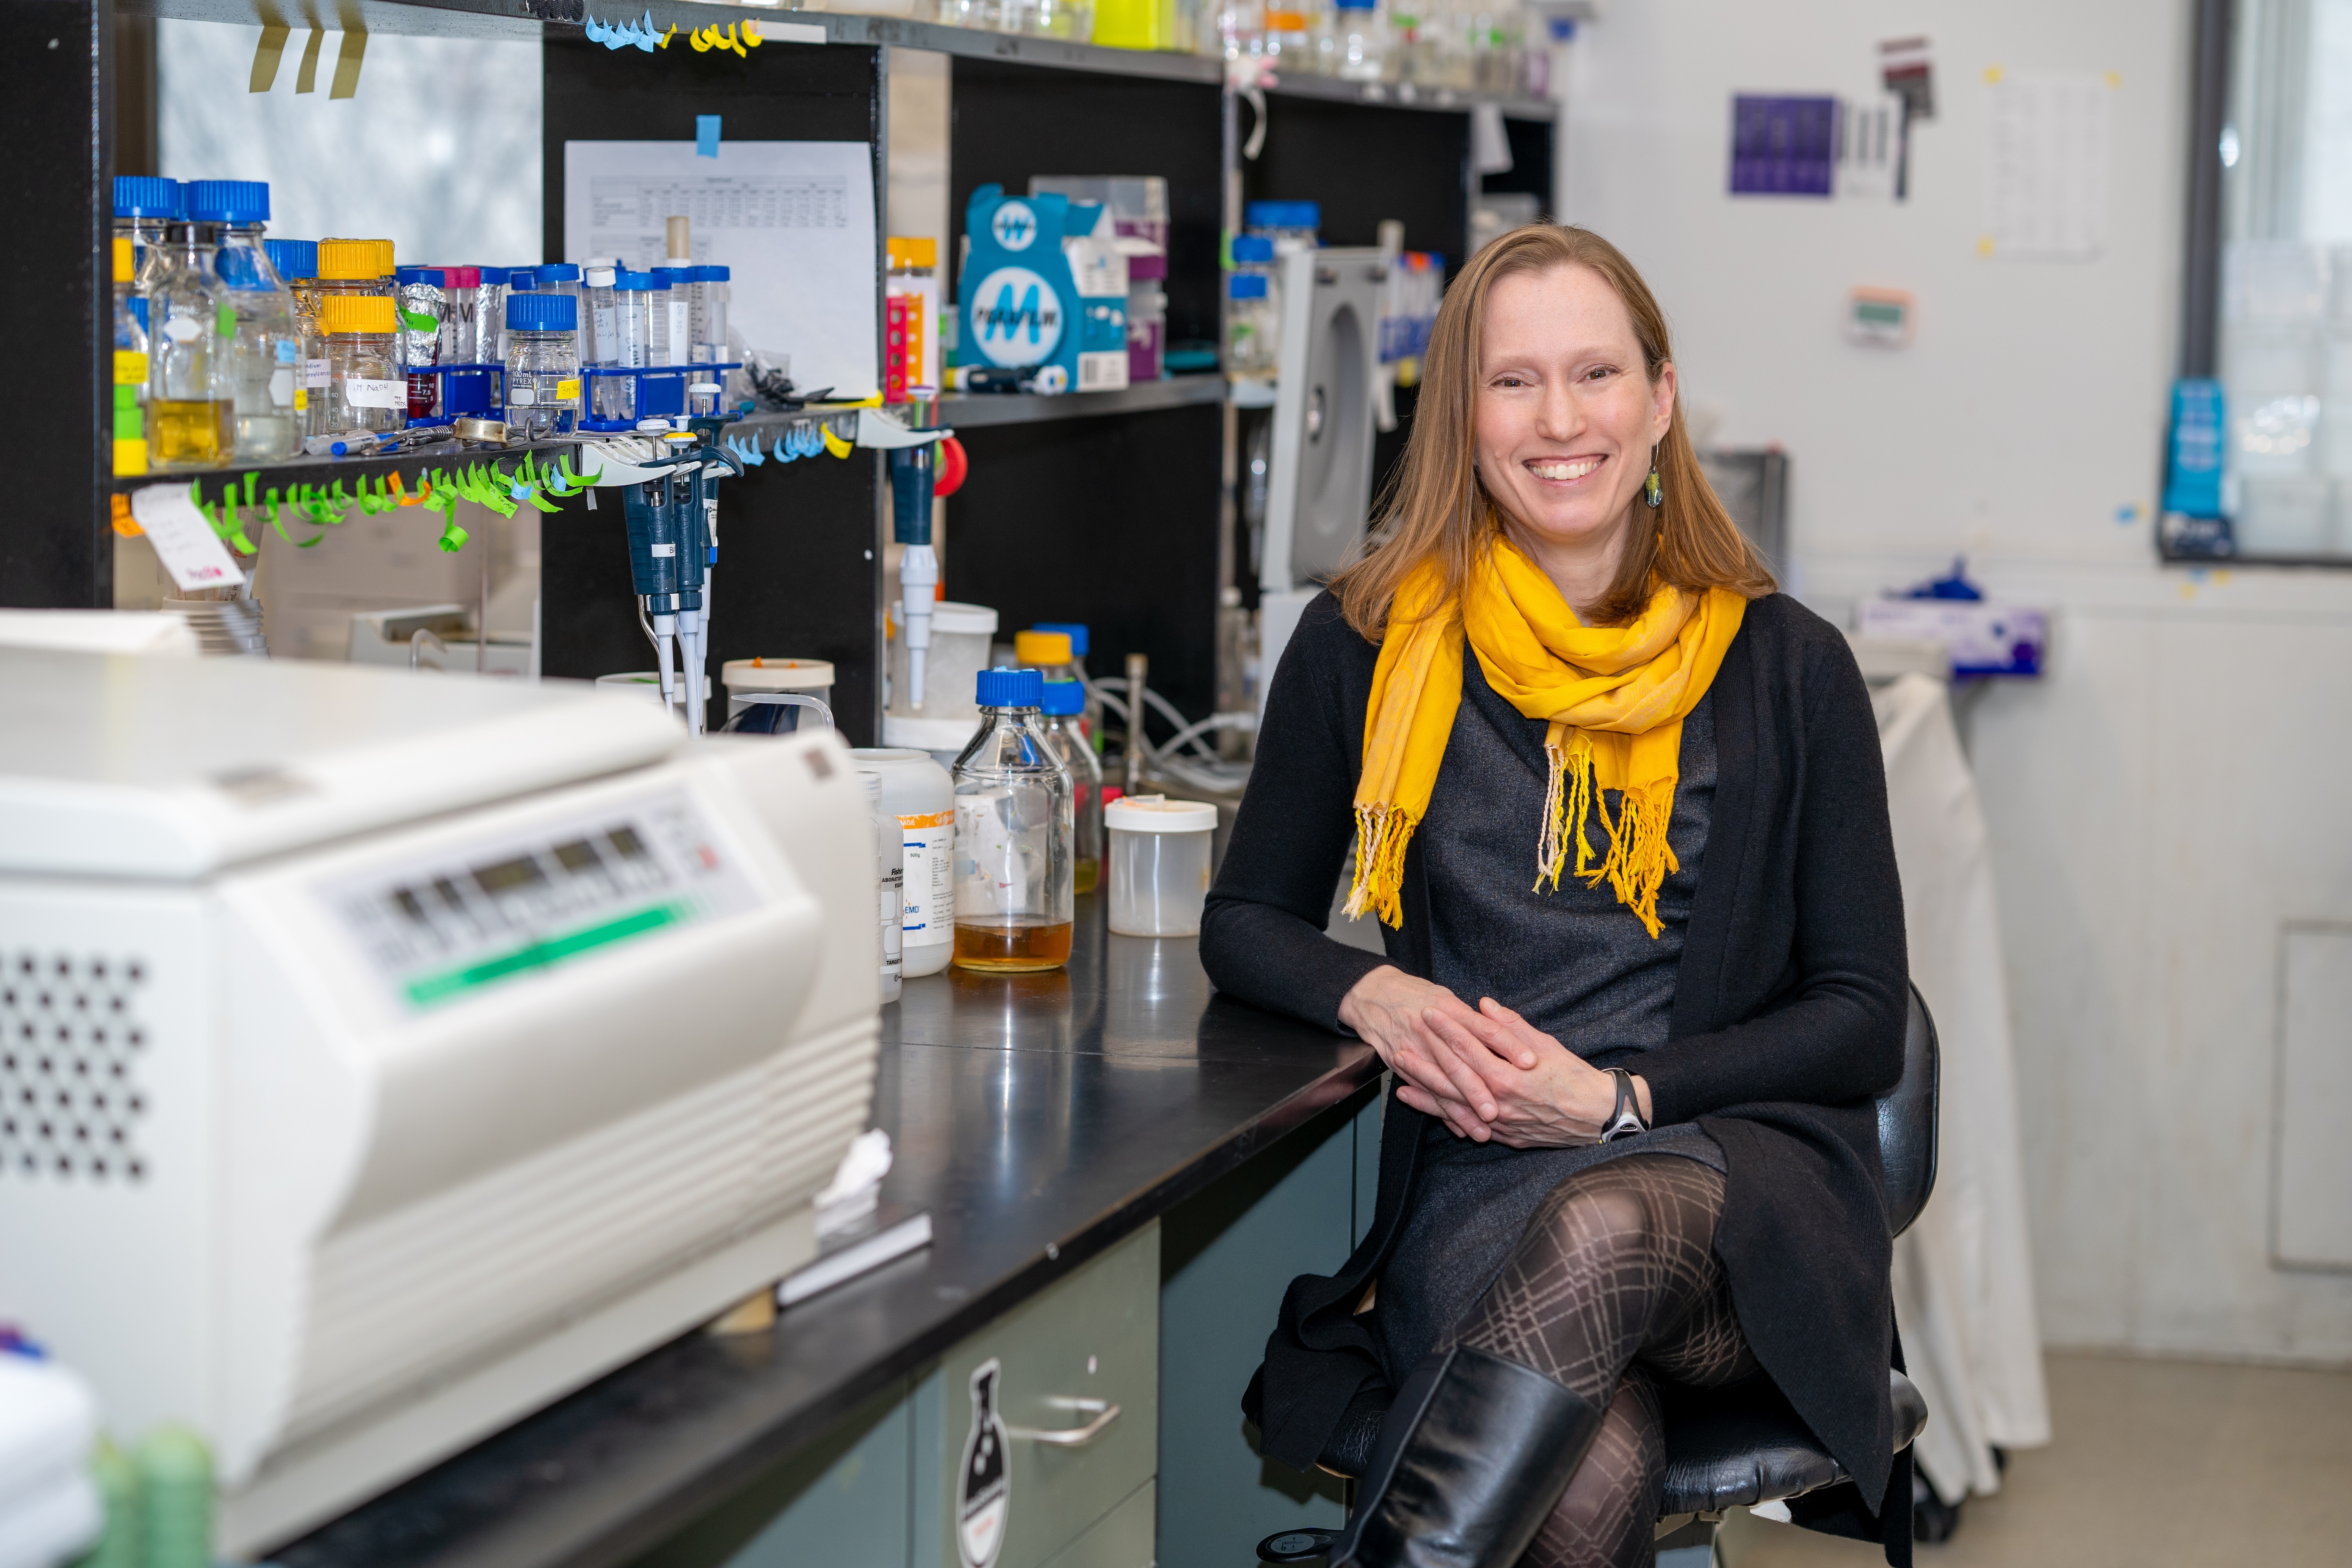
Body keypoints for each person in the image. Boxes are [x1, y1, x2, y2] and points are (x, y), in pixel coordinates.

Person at [1201, 224, 1912, 1568]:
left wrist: (1616, 1099)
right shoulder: (1363, 644)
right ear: (1460, 418)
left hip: (1731, 1184)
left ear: (1658, 400)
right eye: (1512, 380)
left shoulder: (1786, 667)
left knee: (1603, 1220)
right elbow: (1243, 922)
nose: (1559, 419)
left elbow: (1862, 1014)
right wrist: (1381, 993)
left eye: (1594, 374)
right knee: (1585, 1484)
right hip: (1481, 1189)